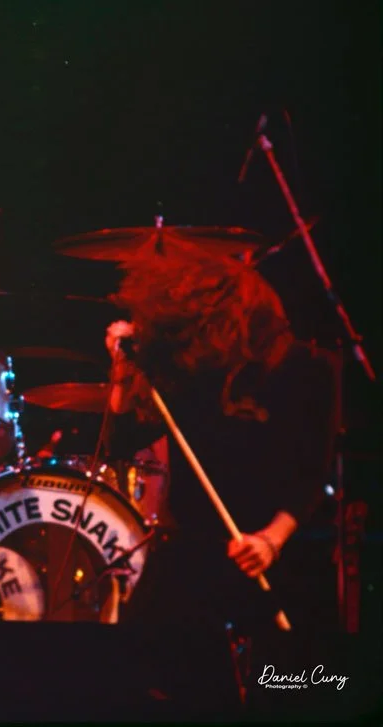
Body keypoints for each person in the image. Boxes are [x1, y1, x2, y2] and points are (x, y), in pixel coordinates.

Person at [103, 241, 337, 637]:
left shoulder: (305, 368)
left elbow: (312, 474)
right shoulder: (196, 366)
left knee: (281, 662)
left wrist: (270, 541)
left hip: (270, 551)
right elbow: (122, 441)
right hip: (191, 549)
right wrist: (123, 371)